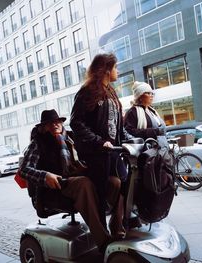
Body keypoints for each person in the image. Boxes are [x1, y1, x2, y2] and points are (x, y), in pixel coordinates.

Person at [20, 109, 113, 251]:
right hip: (55, 186)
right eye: (50, 123)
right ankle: (103, 241)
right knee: (84, 184)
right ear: (43, 127)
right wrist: (45, 176)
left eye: (57, 121)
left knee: (114, 182)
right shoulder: (38, 143)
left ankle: (118, 229)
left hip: (74, 178)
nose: (55, 125)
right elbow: (24, 170)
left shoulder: (71, 138)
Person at [70, 53, 131, 239]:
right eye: (115, 67)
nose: (117, 71)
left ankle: (117, 222)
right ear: (106, 69)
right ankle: (104, 235)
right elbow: (76, 122)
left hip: (113, 152)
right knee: (103, 192)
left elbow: (117, 124)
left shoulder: (111, 91)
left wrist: (130, 139)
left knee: (125, 184)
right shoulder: (87, 91)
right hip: (96, 154)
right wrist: (98, 141)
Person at [124, 81, 168, 147]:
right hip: (147, 151)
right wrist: (153, 132)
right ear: (140, 96)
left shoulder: (152, 110)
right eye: (148, 93)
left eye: (152, 93)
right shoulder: (133, 111)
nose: (151, 96)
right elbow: (129, 131)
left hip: (161, 147)